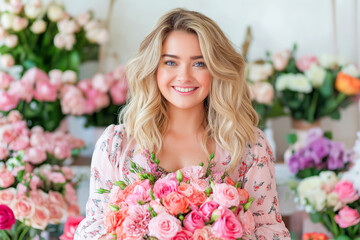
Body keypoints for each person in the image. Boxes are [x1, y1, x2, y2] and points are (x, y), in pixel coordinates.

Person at [75, 8, 291, 240]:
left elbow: (272, 231)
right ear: (154, 68)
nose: (184, 76)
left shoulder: (249, 146)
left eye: (199, 64)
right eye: (170, 62)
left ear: (216, 70)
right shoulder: (116, 144)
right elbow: (94, 229)